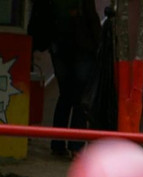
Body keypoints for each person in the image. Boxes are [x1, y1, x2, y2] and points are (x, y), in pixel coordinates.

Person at [48, 0, 101, 156]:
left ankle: (58, 144)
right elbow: (91, 21)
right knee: (80, 100)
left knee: (65, 97)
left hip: (61, 49)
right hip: (81, 50)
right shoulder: (83, 7)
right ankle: (75, 146)